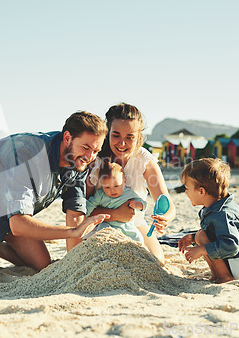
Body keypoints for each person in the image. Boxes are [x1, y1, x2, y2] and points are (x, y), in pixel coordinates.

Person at [0, 111, 110, 278]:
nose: (90, 156)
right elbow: (19, 224)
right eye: (86, 147)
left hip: (5, 207)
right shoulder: (28, 155)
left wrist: (73, 266)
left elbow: (75, 215)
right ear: (68, 138)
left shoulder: (79, 162)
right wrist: (71, 232)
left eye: (96, 151)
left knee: (43, 265)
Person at [74, 103, 176, 263]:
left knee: (156, 262)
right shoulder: (97, 162)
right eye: (116, 135)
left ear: (139, 136)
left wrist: (165, 218)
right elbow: (82, 211)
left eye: (130, 137)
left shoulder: (144, 160)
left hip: (135, 224)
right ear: (107, 133)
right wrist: (115, 215)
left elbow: (166, 202)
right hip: (100, 226)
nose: (122, 143)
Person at [178, 158, 239, 284]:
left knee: (201, 237)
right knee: (200, 236)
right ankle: (217, 275)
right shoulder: (216, 207)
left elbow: (231, 245)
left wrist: (202, 249)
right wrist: (192, 238)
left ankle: (224, 276)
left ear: (201, 191)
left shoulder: (223, 214)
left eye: (187, 188)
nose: (185, 192)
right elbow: (216, 233)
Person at [83, 159, 146, 244]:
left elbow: (143, 203)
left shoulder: (128, 193)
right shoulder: (100, 194)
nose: (112, 190)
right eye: (107, 187)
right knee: (103, 235)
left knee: (138, 238)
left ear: (124, 181)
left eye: (116, 186)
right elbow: (90, 204)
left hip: (126, 226)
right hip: (107, 224)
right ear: (101, 184)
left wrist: (138, 204)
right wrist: (84, 217)